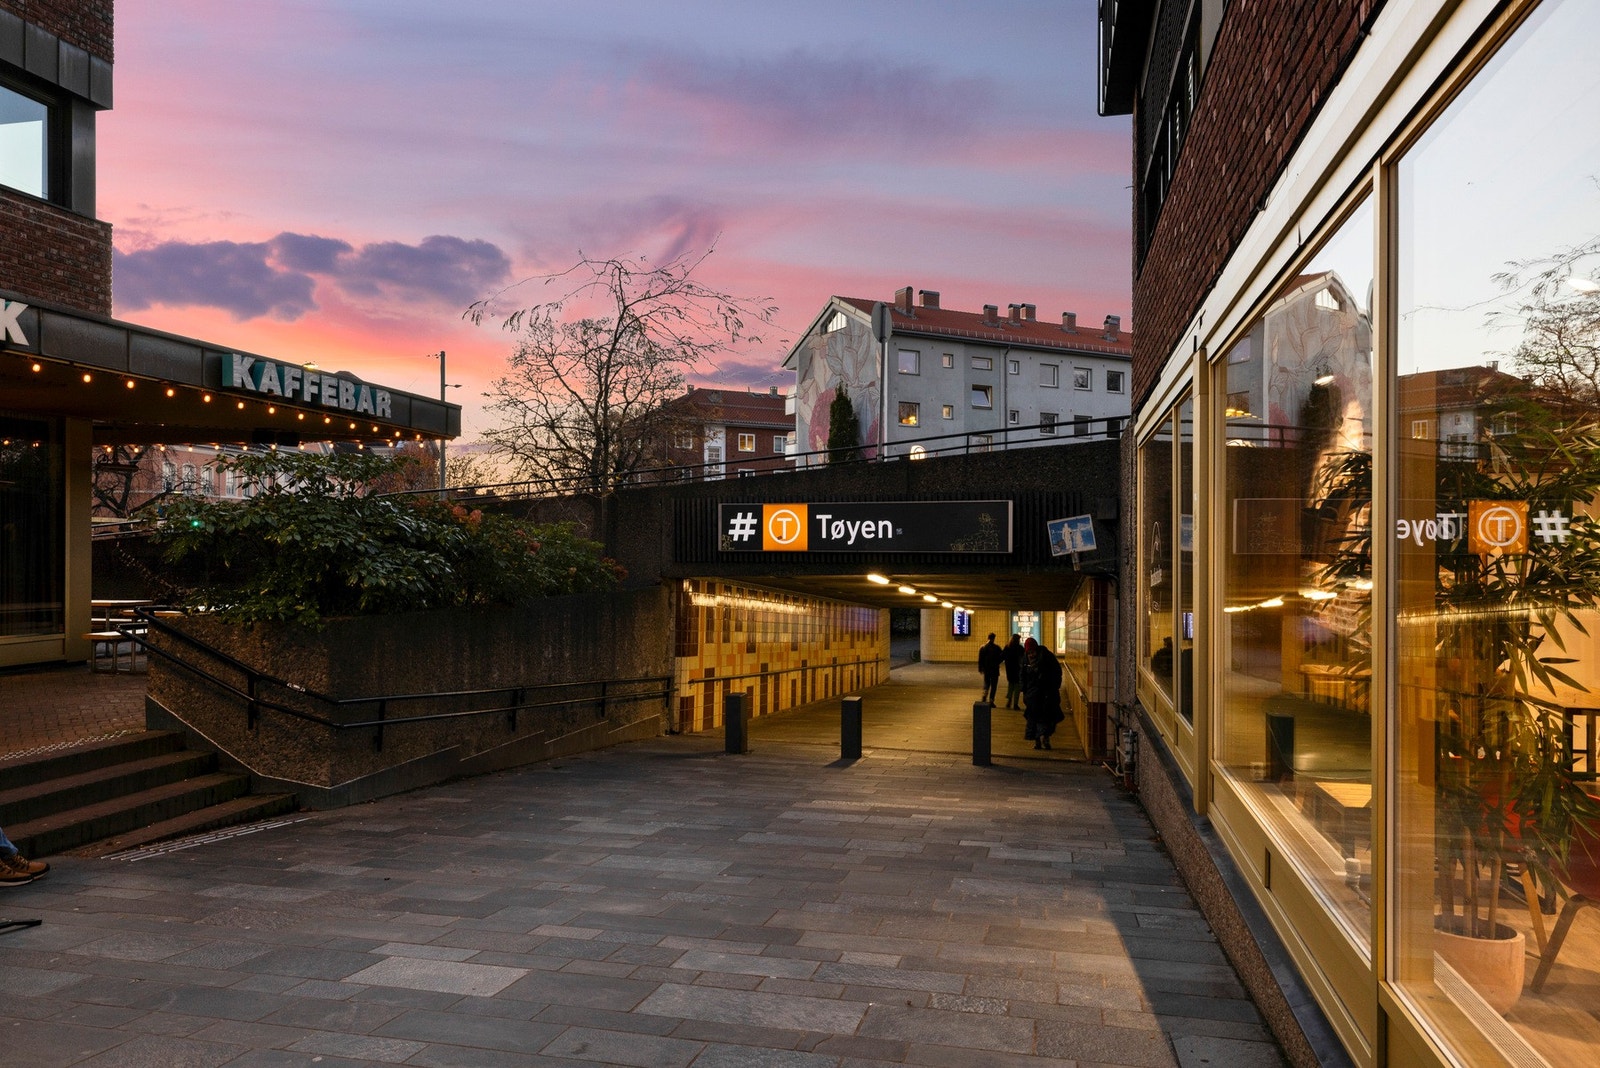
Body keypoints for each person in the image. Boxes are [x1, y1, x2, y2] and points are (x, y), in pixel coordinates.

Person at [1021, 637, 1065, 750]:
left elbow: (1057, 673)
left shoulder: (1047, 657)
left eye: (1032, 652)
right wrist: (1025, 692)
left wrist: (1053, 687)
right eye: (1029, 652)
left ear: (1036, 649)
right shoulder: (1025, 660)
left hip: (1047, 695)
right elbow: (1022, 677)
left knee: (1048, 719)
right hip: (1033, 696)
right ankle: (1037, 741)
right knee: (1035, 719)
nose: (1031, 655)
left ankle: (1045, 738)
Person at [976, 632, 1003, 704]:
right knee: (994, 685)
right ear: (994, 638)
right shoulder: (997, 648)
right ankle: (991, 700)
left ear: (988, 638)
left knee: (986, 683)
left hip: (987, 669)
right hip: (995, 669)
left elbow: (980, 659)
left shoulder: (983, 647)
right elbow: (1001, 657)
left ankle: (984, 696)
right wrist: (997, 663)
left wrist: (980, 668)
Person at [1001, 633, 1024, 709]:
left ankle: (1009, 700)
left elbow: (1002, 657)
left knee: (1011, 684)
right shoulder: (1020, 648)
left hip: (1009, 669)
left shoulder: (1007, 647)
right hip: (1017, 669)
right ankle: (1015, 704)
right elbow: (1023, 658)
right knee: (1017, 686)